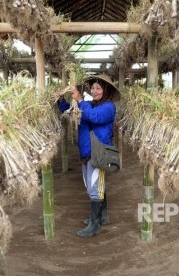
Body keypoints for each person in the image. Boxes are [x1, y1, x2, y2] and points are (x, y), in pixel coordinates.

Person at [57, 74, 120, 238]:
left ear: (106, 90)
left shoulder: (108, 107)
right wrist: (61, 100)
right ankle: (102, 216)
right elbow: (70, 111)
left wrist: (80, 100)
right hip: (86, 151)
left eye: (98, 88)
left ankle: (95, 225)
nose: (94, 91)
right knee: (92, 186)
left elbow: (94, 116)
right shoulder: (89, 104)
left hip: (98, 152)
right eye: (92, 88)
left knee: (95, 188)